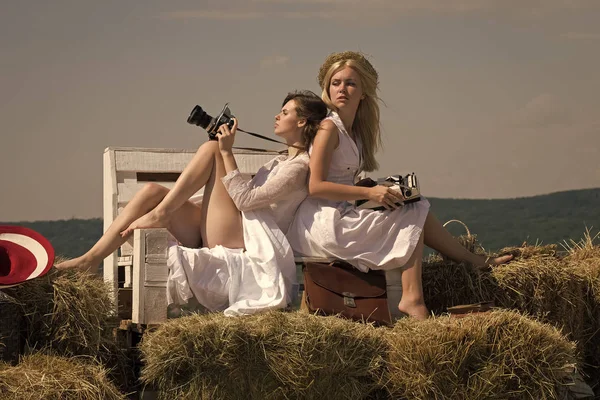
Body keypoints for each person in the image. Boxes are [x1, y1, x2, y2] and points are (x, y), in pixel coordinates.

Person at [57, 90, 329, 315]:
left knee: (212, 150)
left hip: (246, 239)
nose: (277, 115)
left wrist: (225, 151)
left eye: (285, 112)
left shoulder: (299, 167)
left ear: (303, 122)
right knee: (152, 191)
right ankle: (89, 260)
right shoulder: (281, 160)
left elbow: (246, 201)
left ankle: (161, 214)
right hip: (234, 225)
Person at [288, 52, 512, 320]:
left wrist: (375, 187)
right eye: (335, 83)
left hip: (341, 209)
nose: (342, 89)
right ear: (327, 88)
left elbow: (340, 180)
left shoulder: (353, 132)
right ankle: (421, 292)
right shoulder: (328, 128)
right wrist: (369, 193)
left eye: (350, 83)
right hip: (323, 222)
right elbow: (316, 186)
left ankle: (453, 268)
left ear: (364, 93)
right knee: (411, 210)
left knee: (411, 202)